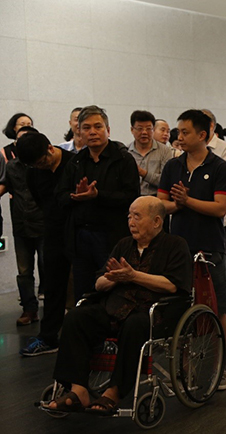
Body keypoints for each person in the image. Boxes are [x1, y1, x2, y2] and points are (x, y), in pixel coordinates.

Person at [42, 196, 192, 415]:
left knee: (135, 325)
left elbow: (172, 285)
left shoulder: (175, 245)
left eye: (137, 216)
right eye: (129, 216)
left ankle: (113, 392)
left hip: (153, 311)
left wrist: (133, 276)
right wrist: (112, 279)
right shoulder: (124, 245)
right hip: (115, 307)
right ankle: (78, 390)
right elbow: (99, 282)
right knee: (76, 317)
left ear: (157, 221)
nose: (131, 222)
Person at [158, 109, 226, 389]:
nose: (179, 137)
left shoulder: (220, 167)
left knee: (217, 309)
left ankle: (219, 368)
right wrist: (178, 204)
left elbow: (220, 208)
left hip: (210, 248)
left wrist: (186, 202)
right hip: (178, 249)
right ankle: (184, 370)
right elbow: (160, 204)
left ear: (203, 135)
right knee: (180, 310)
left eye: (185, 132)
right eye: (178, 131)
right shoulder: (172, 166)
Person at [55, 105, 140, 301]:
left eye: (98, 127)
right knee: (84, 291)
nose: (92, 132)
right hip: (81, 236)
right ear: (79, 132)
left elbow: (131, 197)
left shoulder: (123, 159)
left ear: (108, 130)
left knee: (112, 290)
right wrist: (74, 196)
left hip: (113, 236)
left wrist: (97, 195)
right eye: (86, 128)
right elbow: (59, 196)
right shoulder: (76, 162)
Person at [15, 132, 75, 356]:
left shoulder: (74, 163)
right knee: (53, 287)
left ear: (50, 148)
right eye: (35, 165)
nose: (40, 167)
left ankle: (93, 339)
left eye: (42, 161)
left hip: (78, 230)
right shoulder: (33, 172)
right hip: (52, 231)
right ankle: (48, 337)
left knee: (86, 285)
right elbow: (41, 201)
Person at [1, 124, 46, 325]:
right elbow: (6, 187)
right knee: (24, 272)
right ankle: (29, 310)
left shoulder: (44, 165)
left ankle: (52, 309)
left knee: (47, 267)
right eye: (19, 140)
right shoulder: (11, 166)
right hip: (21, 225)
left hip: (44, 225)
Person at [203, 109, 226, 327]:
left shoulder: (225, 151)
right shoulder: (184, 154)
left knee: (224, 272)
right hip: (198, 222)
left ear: (211, 127)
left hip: (222, 221)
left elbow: (225, 184)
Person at [126, 110, 173, 196]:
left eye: (148, 129)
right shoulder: (126, 151)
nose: (144, 132)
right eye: (140, 129)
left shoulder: (165, 151)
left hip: (156, 198)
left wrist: (143, 173)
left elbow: (167, 181)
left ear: (153, 130)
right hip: (131, 198)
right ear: (132, 130)